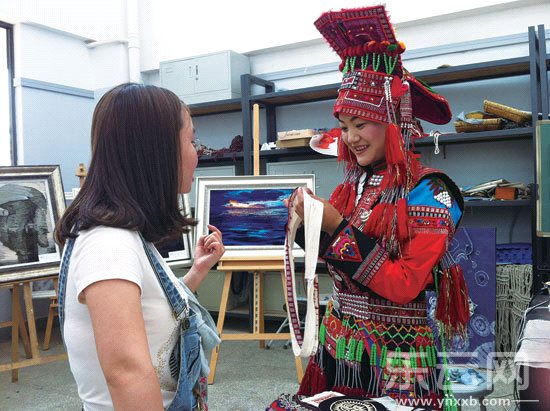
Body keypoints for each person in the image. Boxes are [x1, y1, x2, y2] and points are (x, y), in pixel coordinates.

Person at [270, 6, 469, 411]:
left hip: (401, 356)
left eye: (361, 124)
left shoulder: (433, 192)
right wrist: (306, 222)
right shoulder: (351, 186)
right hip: (340, 344)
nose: (351, 137)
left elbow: (402, 285)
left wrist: (335, 224)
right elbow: (333, 259)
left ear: (393, 120)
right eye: (345, 127)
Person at [54, 83, 225, 411]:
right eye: (191, 140)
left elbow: (148, 316)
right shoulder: (108, 243)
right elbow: (127, 373)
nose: (197, 152)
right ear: (157, 151)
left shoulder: (123, 235)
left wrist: (196, 272)